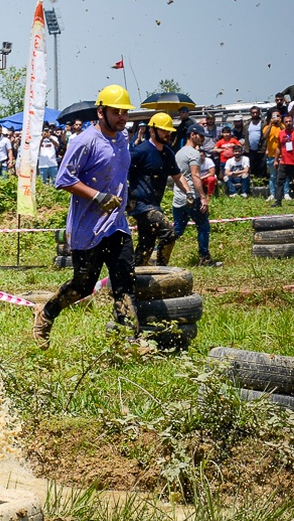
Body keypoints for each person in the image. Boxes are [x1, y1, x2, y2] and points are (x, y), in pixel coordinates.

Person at [33, 85, 137, 349]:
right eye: (117, 112)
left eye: (125, 112)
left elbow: (119, 174)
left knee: (124, 282)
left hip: (117, 226)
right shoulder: (84, 140)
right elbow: (63, 179)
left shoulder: (123, 140)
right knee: (83, 287)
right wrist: (98, 196)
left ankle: (127, 341)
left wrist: (128, 198)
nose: (122, 118)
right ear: (101, 112)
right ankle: (45, 314)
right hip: (88, 228)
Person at [127, 112, 184, 266]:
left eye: (169, 131)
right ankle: (162, 269)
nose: (168, 134)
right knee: (169, 234)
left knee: (146, 246)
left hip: (154, 205)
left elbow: (177, 176)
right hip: (141, 206)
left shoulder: (167, 153)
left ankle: (132, 275)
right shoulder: (140, 151)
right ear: (152, 130)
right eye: (164, 130)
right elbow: (120, 169)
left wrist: (190, 193)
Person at [174, 125, 221, 267]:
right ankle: (204, 258)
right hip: (191, 196)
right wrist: (202, 197)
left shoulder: (179, 153)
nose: (203, 139)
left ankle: (156, 254)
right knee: (203, 225)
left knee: (177, 230)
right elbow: (195, 176)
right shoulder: (193, 153)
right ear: (192, 134)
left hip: (179, 197)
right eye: (201, 136)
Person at [273, 114, 294, 208]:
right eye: (286, 122)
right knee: (279, 182)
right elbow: (278, 147)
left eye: (290, 121)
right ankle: (278, 201)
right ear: (283, 123)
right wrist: (276, 160)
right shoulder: (281, 133)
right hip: (284, 162)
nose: (288, 123)